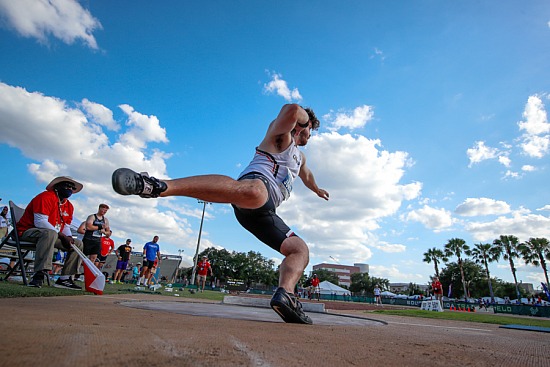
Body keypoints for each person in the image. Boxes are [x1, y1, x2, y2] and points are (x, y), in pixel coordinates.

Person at [111, 104, 328, 324]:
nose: (310, 137)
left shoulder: (300, 158)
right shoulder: (280, 135)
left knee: (300, 250)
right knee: (255, 192)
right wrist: (303, 121)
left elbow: (307, 176)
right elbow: (292, 109)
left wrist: (317, 189)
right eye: (311, 131)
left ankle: (287, 295)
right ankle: (155, 185)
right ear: (306, 125)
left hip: (264, 213)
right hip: (255, 187)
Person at [17, 176, 84, 289]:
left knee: (77, 244)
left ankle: (65, 278)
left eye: (72, 188)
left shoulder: (69, 206)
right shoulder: (45, 197)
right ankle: (39, 274)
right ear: (57, 187)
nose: (70, 189)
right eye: (67, 186)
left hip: (50, 235)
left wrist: (68, 237)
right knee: (50, 233)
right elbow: (40, 222)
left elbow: (65, 226)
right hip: (27, 232)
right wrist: (63, 236)